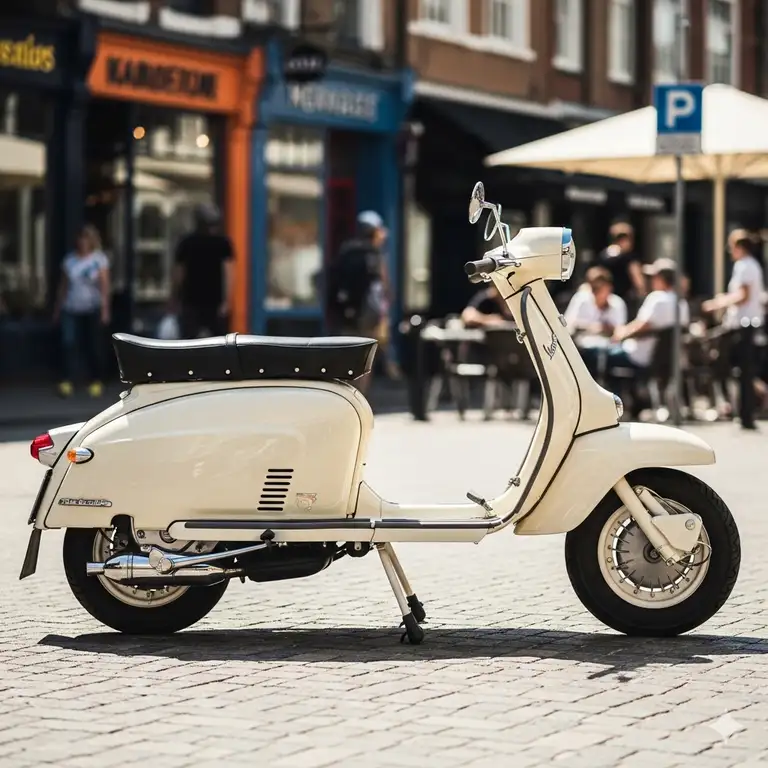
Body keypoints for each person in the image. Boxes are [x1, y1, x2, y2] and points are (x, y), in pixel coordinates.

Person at [702, 229, 765, 430]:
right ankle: (745, 410)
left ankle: (744, 410)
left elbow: (743, 295)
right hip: (745, 324)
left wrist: (718, 303)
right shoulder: (751, 265)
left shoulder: (744, 266)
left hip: (743, 325)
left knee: (735, 368)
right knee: (742, 370)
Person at [326, 211, 393, 389]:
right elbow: (382, 292)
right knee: (362, 366)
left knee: (344, 364)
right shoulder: (373, 256)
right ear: (375, 232)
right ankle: (357, 406)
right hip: (366, 320)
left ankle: (345, 402)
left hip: (344, 318)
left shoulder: (345, 252)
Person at [53, 225, 110, 398]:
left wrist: (105, 309)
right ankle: (67, 380)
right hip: (71, 308)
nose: (82, 242)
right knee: (69, 343)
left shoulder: (98, 260)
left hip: (92, 307)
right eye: (80, 239)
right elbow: (63, 287)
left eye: (86, 239)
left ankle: (95, 380)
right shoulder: (70, 261)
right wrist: (57, 309)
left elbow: (105, 285)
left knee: (92, 345)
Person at [171, 203, 234, 339]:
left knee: (188, 344)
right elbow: (229, 274)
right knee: (220, 344)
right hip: (214, 301)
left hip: (191, 300)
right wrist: (227, 301)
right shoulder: (222, 243)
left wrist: (175, 298)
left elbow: (179, 274)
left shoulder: (187, 242)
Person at [564, 267, 627, 345]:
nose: (595, 292)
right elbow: (568, 325)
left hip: (609, 347)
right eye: (593, 288)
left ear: (609, 287)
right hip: (583, 346)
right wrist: (594, 328)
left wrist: (614, 332)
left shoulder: (617, 302)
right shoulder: (581, 299)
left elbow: (620, 329)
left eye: (599, 288)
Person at [595, 222, 646, 314]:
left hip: (604, 300)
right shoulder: (629, 258)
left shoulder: (603, 255)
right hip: (624, 301)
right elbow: (638, 279)